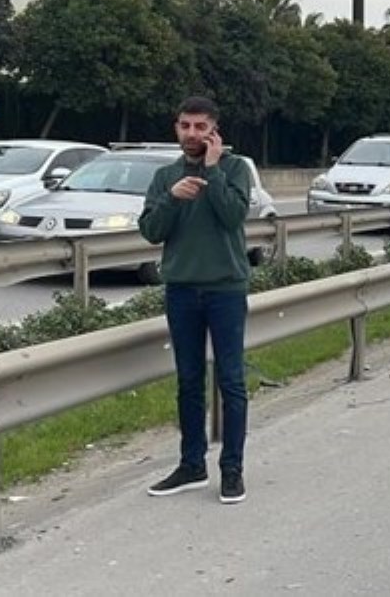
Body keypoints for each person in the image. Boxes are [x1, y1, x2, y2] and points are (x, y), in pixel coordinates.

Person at [139, 96, 253, 505]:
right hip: (182, 290)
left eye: (200, 127)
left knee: (231, 381)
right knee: (188, 381)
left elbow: (233, 216)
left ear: (214, 131)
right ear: (176, 128)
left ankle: (232, 470)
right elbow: (150, 231)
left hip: (226, 288)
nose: (192, 134)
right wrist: (173, 197)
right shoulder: (165, 176)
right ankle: (191, 465)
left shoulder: (236, 168)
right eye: (185, 125)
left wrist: (212, 169)